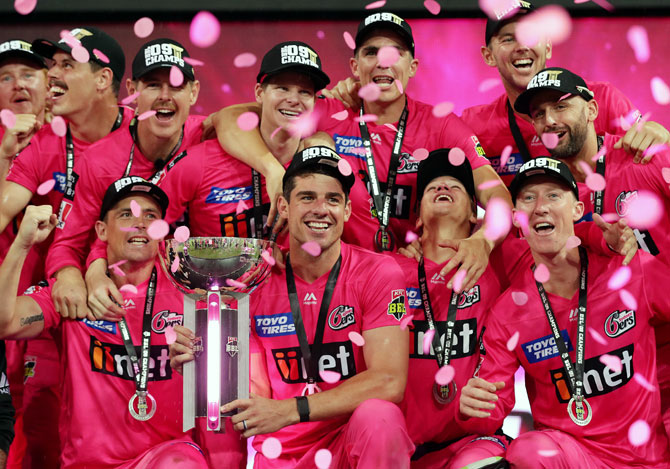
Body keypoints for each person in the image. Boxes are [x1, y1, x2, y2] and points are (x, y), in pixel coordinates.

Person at [210, 12, 509, 292]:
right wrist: (271, 168)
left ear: (412, 67)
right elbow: (227, 118)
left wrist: (484, 240)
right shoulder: (327, 113)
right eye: (371, 53)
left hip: (411, 275)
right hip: (338, 281)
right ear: (355, 67)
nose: (383, 62)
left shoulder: (441, 126)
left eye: (396, 53)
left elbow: (498, 195)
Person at [171, 146, 414, 468]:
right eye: (307, 197)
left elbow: (388, 381)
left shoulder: (378, 273)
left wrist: (291, 409)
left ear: (347, 210)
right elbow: (252, 391)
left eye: (333, 199)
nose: (321, 209)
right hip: (280, 453)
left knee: (380, 415)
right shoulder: (255, 278)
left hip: (348, 445)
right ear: (284, 205)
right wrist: (204, 366)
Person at [398, 151, 637, 468]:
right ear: (416, 218)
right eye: (433, 188)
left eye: (456, 187)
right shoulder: (387, 271)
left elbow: (558, 236)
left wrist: (603, 238)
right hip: (405, 442)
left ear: (475, 214)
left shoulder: (502, 257)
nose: (443, 187)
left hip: (473, 441)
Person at [459, 157, 670, 468]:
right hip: (572, 456)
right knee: (528, 451)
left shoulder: (630, 269)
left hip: (647, 459)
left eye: (554, 195)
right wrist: (470, 408)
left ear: (577, 210)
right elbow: (491, 408)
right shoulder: (508, 312)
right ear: (517, 218)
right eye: (528, 198)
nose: (540, 206)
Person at [0, 178, 209, 469]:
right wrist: (22, 244)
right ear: (101, 230)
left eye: (150, 215)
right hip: (87, 463)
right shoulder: (74, 294)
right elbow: (5, 322)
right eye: (127, 214)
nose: (140, 223)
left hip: (164, 455)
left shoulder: (191, 295)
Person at [514, 65, 670, 436]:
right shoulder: (549, 203)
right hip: (620, 369)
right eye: (539, 114)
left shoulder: (643, 157)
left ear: (592, 110)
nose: (548, 121)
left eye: (561, 106)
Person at [0, 28, 129, 469]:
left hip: (134, 310)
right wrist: (4, 157)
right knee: (40, 432)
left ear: (101, 80)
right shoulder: (41, 144)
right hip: (58, 302)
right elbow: (2, 213)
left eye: (65, 65)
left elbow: (227, 118)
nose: (51, 75)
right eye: (50, 65)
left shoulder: (147, 131)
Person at [44, 37, 204, 321]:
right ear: (132, 91)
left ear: (193, 93)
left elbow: (246, 117)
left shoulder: (209, 137)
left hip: (195, 303)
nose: (165, 96)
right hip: (120, 307)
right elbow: (67, 244)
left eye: (177, 85)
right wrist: (71, 276)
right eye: (153, 85)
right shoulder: (98, 161)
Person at [462, 0, 669, 185]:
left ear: (548, 47)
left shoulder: (602, 98)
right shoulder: (475, 125)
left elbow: (650, 159)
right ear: (488, 56)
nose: (522, 46)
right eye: (508, 39)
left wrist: (661, 139)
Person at [158, 40, 332, 241]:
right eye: (282, 88)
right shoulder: (199, 162)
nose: (294, 99)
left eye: (305, 91)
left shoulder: (316, 164)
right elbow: (148, 230)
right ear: (259, 93)